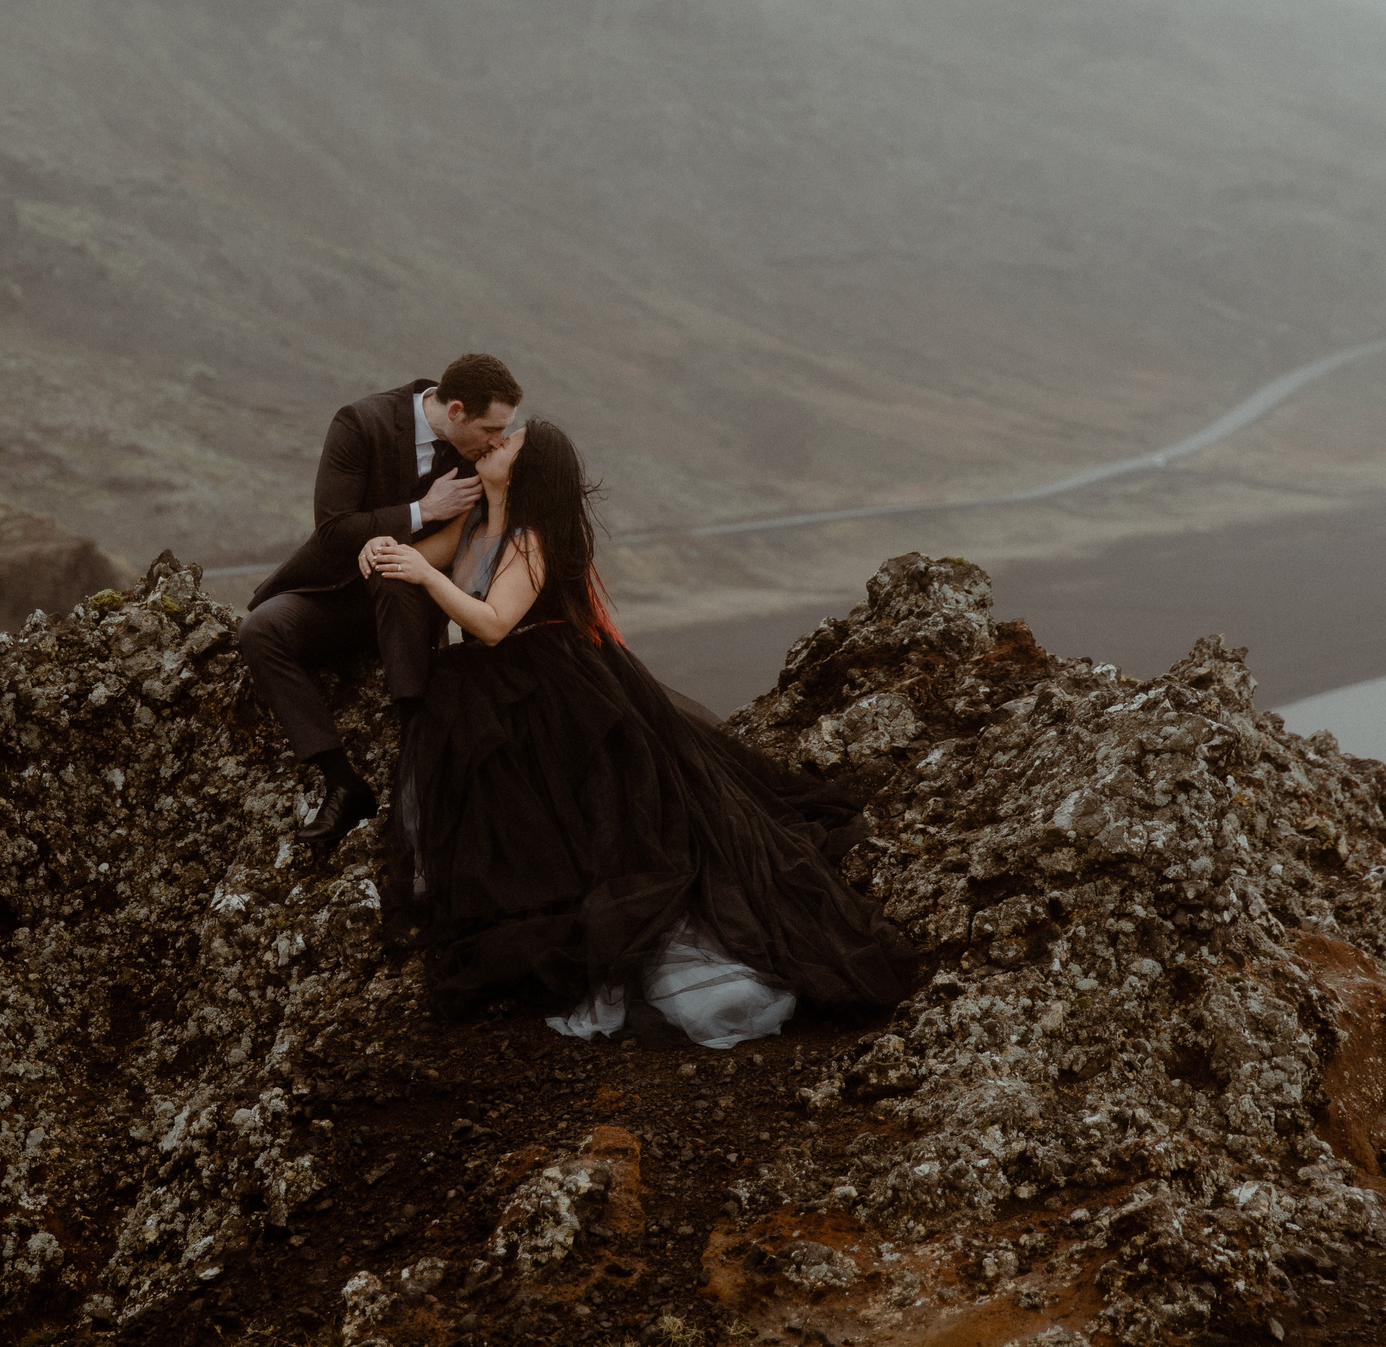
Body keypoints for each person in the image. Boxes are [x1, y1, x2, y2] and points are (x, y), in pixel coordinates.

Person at [363, 420, 915, 1048]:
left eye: (508, 441)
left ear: (526, 470)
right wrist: (381, 548)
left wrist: (424, 574)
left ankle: (634, 962)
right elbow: (412, 558)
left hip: (554, 689)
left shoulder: (530, 538)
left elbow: (493, 622)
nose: (494, 442)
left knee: (600, 825)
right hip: (501, 690)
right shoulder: (472, 526)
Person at [238, 354, 523, 848]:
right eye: (490, 429)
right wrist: (421, 511)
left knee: (396, 576)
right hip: (334, 594)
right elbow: (332, 529)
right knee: (260, 631)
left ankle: (415, 761)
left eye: (504, 430)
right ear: (455, 410)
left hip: (411, 604)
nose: (498, 441)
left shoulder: (481, 456)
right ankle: (342, 783)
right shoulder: (361, 423)